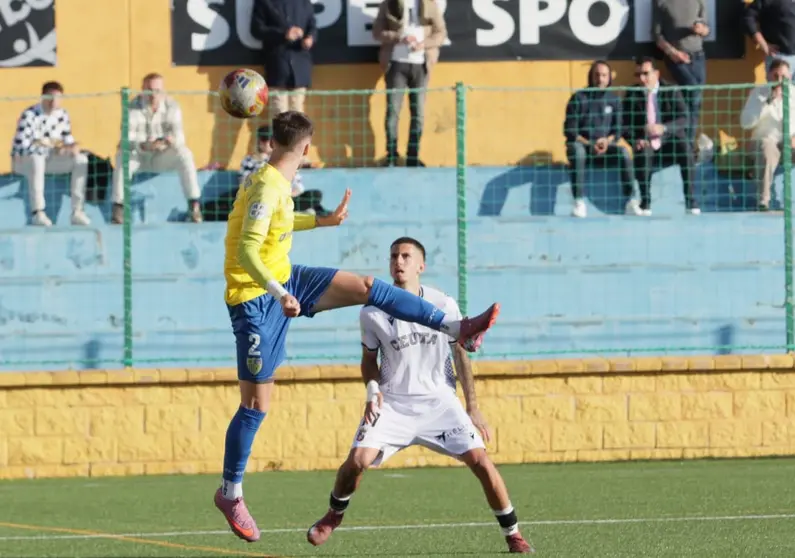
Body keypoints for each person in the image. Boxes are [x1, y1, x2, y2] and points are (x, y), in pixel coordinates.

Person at [213, 111, 501, 542]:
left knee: (368, 287)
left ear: (274, 142)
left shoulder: (276, 181)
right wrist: (279, 294)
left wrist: (321, 221)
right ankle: (230, 493)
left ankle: (456, 327)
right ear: (306, 148)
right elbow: (246, 251)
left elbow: (277, 224)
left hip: (285, 278)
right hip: (255, 299)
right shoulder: (267, 186)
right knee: (255, 405)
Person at [304, 237, 534, 554]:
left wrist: (473, 407)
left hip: (440, 403)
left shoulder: (443, 304)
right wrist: (372, 390)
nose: (398, 261)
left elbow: (461, 355)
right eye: (394, 256)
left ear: (421, 266)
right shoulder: (371, 312)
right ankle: (334, 514)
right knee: (357, 461)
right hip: (393, 404)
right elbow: (369, 360)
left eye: (406, 256)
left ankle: (513, 534)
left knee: (481, 461)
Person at [622, 57, 699, 215]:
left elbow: (684, 118)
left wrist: (663, 128)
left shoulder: (671, 90)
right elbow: (623, 124)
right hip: (646, 141)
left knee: (685, 147)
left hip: (668, 140)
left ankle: (691, 201)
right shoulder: (631, 94)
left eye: (646, 73)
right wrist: (635, 140)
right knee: (642, 152)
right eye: (638, 75)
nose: (642, 79)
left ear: (656, 74)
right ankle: (645, 203)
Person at [11, 80, 90, 227]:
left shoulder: (63, 115)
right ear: (42, 97)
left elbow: (67, 140)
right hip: (24, 162)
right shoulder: (30, 114)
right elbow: (22, 147)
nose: (54, 101)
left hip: (50, 160)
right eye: (50, 97)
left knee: (81, 160)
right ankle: (38, 212)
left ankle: (77, 212)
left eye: (58, 98)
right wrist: (52, 148)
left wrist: (71, 148)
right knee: (37, 158)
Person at [563, 60, 636, 218]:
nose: (600, 79)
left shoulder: (614, 100)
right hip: (583, 148)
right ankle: (579, 202)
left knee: (623, 152)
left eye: (604, 75)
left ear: (609, 78)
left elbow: (618, 130)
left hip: (605, 148)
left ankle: (631, 201)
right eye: (597, 75)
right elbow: (570, 131)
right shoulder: (578, 98)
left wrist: (607, 141)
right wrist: (590, 144)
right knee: (578, 151)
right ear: (591, 77)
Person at [239, 125, 329, 215]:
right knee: (233, 196)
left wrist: (285, 195)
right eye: (263, 140)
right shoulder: (249, 160)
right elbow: (244, 184)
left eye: (270, 140)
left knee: (315, 195)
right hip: (261, 198)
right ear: (259, 141)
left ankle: (286, 209)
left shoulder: (286, 159)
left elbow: (298, 187)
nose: (266, 144)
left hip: (285, 199)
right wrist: (261, 163)